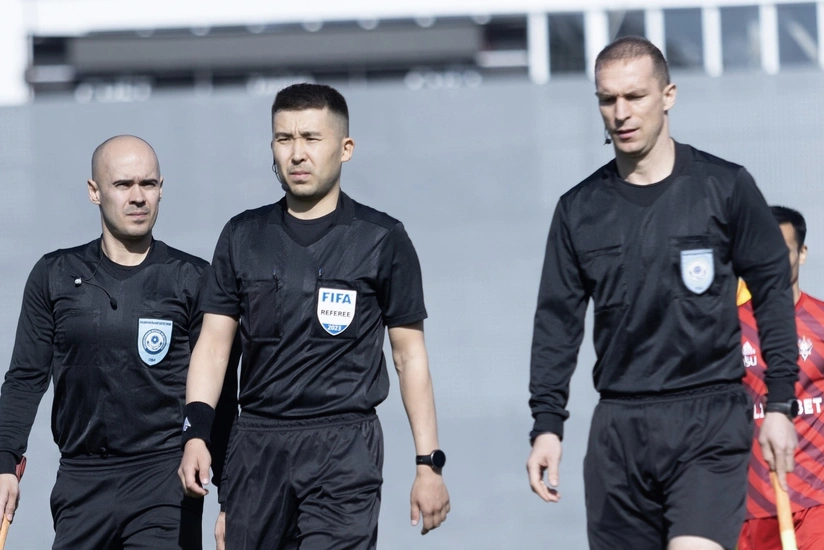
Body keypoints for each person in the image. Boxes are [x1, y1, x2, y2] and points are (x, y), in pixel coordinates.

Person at [526, 36, 799, 550]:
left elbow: (772, 294)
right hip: (618, 431)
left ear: (668, 95)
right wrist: (546, 425)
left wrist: (780, 404)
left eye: (635, 96)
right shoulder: (578, 209)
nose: (621, 113)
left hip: (709, 418)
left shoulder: (725, 187)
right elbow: (557, 324)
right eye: (608, 99)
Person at [178, 83, 450, 549]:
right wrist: (197, 436)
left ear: (345, 148)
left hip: (344, 446)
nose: (297, 153)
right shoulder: (242, 236)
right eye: (284, 139)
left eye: (311, 138)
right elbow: (214, 347)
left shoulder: (382, 239)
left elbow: (409, 357)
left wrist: (428, 463)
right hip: (256, 445)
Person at [0, 135, 237, 549]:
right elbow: (24, 379)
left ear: (161, 188)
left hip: (164, 477)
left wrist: (231, 496)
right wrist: (4, 462)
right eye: (123, 184)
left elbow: (220, 393)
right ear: (94, 191)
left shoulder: (194, 279)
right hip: (81, 480)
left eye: (148, 184)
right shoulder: (54, 275)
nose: (138, 197)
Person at [737, 206, 824, 549]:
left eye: (780, 251)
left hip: (818, 499)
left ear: (801, 254)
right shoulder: (727, 328)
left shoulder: (821, 320)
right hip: (754, 504)